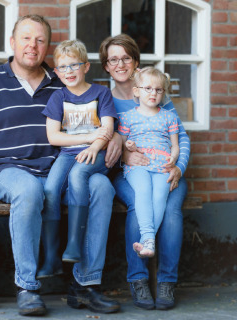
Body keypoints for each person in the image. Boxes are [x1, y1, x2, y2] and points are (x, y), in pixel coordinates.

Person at [0, 15, 121, 316]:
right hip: (8, 170)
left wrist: (117, 135)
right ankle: (28, 287)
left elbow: (98, 116)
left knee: (101, 187)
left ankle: (86, 285)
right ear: (13, 42)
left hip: (61, 168)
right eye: (27, 38)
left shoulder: (63, 82)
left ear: (47, 48)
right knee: (30, 190)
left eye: (40, 40)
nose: (33, 45)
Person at [99, 34, 190, 310]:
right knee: (139, 207)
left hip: (165, 169)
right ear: (106, 66)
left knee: (172, 211)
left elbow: (180, 137)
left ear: (136, 62)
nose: (120, 64)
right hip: (129, 173)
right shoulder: (104, 100)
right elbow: (100, 144)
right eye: (113, 59)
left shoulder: (156, 94)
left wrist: (178, 166)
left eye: (126, 57)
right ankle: (138, 279)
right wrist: (125, 153)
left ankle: (166, 283)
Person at [38, 39, 116, 279]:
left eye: (74, 65)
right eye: (63, 67)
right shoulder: (58, 97)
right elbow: (53, 137)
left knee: (78, 175)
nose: (68, 71)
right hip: (68, 153)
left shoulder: (101, 93)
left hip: (98, 154)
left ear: (86, 67)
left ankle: (73, 243)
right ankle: (51, 258)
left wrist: (95, 146)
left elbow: (108, 129)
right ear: (56, 72)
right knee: (50, 189)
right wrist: (89, 135)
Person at [118, 67, 180, 258]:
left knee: (160, 196)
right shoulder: (127, 116)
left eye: (158, 90)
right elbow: (120, 143)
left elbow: (175, 145)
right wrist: (128, 145)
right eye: (148, 88)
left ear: (163, 92)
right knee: (143, 190)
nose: (153, 93)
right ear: (136, 91)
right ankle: (148, 237)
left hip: (162, 166)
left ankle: (148, 243)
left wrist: (174, 159)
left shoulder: (169, 116)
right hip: (138, 166)